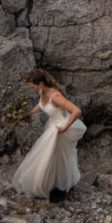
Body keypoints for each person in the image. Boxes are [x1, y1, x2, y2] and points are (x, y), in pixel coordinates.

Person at [13, 68, 86, 202]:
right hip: (52, 126)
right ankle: (52, 185)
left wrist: (65, 127)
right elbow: (41, 104)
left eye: (33, 86)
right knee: (53, 158)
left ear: (40, 83)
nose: (32, 89)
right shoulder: (42, 91)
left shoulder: (56, 96)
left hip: (59, 129)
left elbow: (76, 111)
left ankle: (58, 187)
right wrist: (30, 113)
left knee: (55, 158)